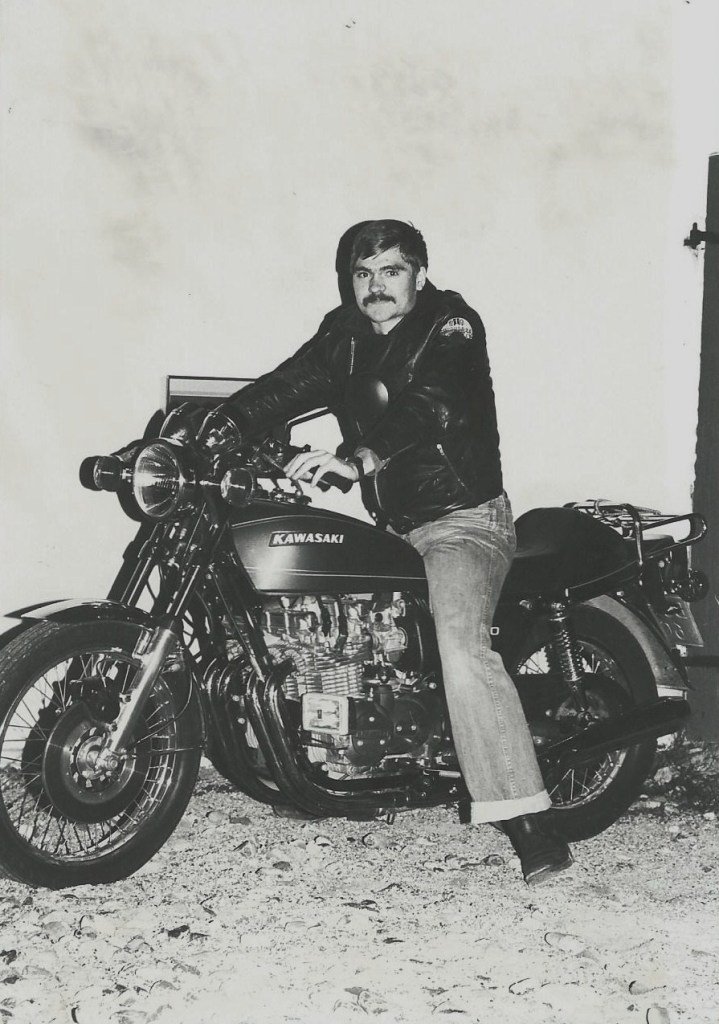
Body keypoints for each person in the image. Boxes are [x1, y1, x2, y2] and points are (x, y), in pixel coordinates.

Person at [209, 219, 572, 886]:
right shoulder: (344, 334)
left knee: (461, 646)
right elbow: (287, 386)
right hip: (397, 527)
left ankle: (528, 819)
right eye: (362, 273)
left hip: (462, 522)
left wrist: (359, 456)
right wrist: (215, 426)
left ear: (419, 275)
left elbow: (431, 403)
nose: (375, 286)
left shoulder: (451, 325)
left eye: (391, 271)